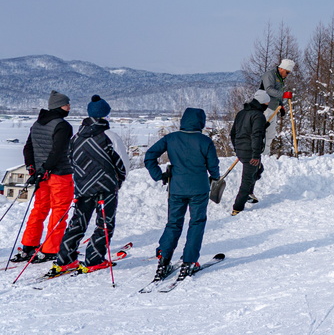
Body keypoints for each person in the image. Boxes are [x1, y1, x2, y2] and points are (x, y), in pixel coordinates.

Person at [48, 96, 128, 276]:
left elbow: (71, 160)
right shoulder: (109, 136)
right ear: (106, 114)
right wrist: (118, 181)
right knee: (104, 223)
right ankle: (95, 259)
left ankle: (64, 259)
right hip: (106, 187)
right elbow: (123, 164)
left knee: (78, 221)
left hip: (83, 186)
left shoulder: (76, 137)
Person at [144, 107, 221, 282]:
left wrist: (159, 176)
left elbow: (149, 156)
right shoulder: (205, 141)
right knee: (196, 223)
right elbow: (213, 167)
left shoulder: (170, 138)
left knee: (173, 224)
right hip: (199, 189)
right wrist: (215, 178)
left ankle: (163, 261)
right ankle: (189, 262)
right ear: (201, 122)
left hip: (176, 188)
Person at [11, 91, 76, 264]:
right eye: (66, 104)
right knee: (59, 211)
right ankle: (51, 249)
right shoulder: (63, 125)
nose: (69, 107)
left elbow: (28, 148)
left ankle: (28, 246)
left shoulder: (38, 123)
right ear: (58, 106)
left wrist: (33, 169)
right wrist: (46, 168)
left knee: (39, 209)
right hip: (59, 174)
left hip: (42, 175)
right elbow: (58, 151)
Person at [229, 90, 270, 215]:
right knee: (247, 179)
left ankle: (249, 193)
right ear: (262, 102)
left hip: (242, 150)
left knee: (258, 169)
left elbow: (233, 133)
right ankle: (237, 207)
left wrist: (237, 149)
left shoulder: (241, 113)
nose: (268, 105)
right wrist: (255, 155)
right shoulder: (258, 115)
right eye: (267, 102)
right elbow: (256, 136)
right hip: (251, 151)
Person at [261, 58, 296, 150]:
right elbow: (268, 89)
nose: (287, 75)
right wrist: (283, 94)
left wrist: (281, 105)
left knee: (271, 133)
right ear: (282, 68)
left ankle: (265, 154)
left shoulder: (280, 78)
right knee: (262, 132)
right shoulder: (270, 75)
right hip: (264, 107)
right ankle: (259, 153)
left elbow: (278, 93)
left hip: (274, 108)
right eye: (287, 72)